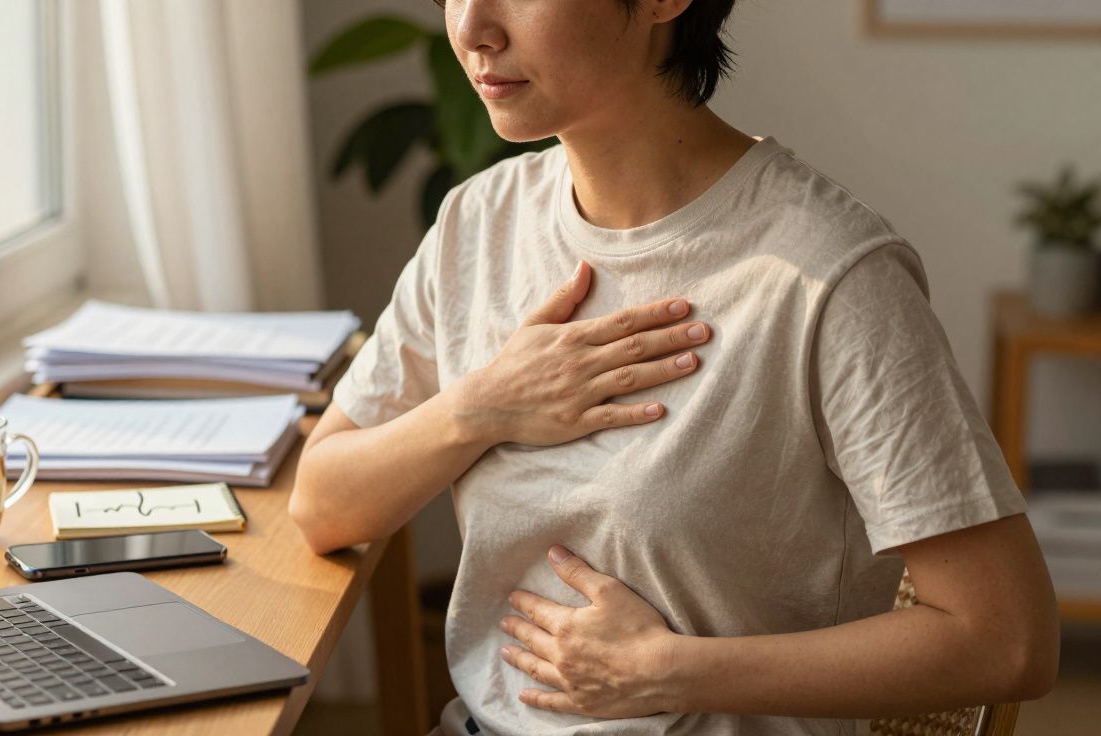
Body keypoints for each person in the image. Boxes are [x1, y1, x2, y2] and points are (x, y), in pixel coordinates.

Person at [290, 1, 1060, 734]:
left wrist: (674, 672)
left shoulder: (828, 277)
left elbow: (1007, 641)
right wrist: (481, 408)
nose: (473, 30)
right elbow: (323, 504)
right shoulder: (477, 225)